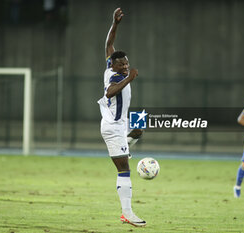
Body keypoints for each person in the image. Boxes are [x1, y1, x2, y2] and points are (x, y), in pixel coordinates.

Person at [97, 8, 146, 227]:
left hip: (121, 122)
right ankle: (127, 213)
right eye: (122, 65)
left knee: (138, 130)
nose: (125, 66)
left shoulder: (111, 62)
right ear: (114, 66)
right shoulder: (115, 77)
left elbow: (109, 45)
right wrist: (130, 78)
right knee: (124, 169)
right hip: (113, 127)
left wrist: (115, 24)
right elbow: (110, 92)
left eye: (127, 63)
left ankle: (127, 142)